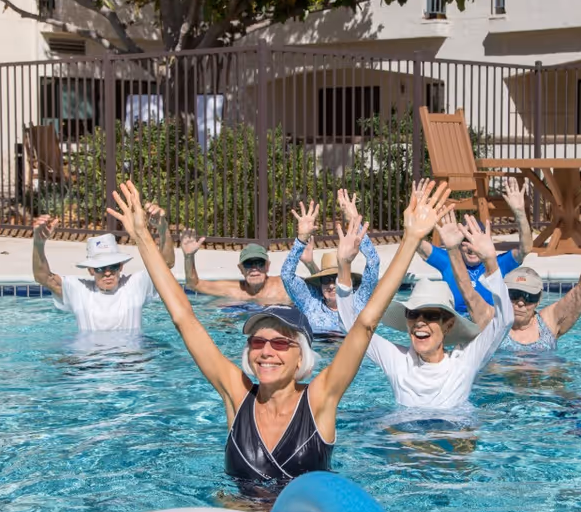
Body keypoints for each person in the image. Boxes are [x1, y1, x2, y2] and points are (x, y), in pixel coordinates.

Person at [107, 178, 453, 491]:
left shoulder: (319, 400)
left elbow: (364, 324)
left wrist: (410, 240)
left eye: (280, 342)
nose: (267, 351)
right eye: (258, 341)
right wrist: (141, 238)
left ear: (300, 355)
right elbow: (184, 318)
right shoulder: (236, 395)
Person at [336, 200, 513, 411]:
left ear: (448, 325)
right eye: (413, 314)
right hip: (406, 440)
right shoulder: (397, 360)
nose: (420, 322)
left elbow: (504, 321)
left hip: (452, 439)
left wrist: (491, 261)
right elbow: (351, 326)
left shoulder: (464, 362)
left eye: (429, 315)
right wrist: (344, 265)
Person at [502, 201, 581, 353]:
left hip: (548, 377)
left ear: (539, 299)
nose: (521, 303)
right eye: (514, 295)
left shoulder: (549, 322)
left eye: (529, 296)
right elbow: (468, 295)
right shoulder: (493, 325)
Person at [32, 205, 174, 333]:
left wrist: (163, 229)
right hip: (90, 359)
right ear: (91, 270)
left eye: (113, 266)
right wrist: (38, 244)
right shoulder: (79, 290)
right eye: (100, 268)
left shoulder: (135, 285)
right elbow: (43, 278)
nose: (107, 273)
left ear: (121, 266)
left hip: (129, 359)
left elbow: (166, 264)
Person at [416, 177, 532, 316]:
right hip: (457, 322)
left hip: (487, 322)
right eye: (465, 240)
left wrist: (520, 213)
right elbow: (416, 244)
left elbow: (525, 248)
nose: (471, 247)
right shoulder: (449, 261)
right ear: (458, 243)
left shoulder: (497, 263)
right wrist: (417, 216)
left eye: (476, 240)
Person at [282, 190, 382, 338]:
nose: (331, 285)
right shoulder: (311, 304)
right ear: (320, 285)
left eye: (335, 278)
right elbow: (286, 275)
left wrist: (355, 221)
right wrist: (301, 240)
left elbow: (373, 263)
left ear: (350, 281)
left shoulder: (359, 301)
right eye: (325, 280)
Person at [181, 233, 289, 304]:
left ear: (267, 266)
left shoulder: (284, 286)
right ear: (241, 268)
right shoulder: (232, 289)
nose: (254, 268)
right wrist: (188, 257)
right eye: (248, 263)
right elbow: (194, 284)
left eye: (259, 263)